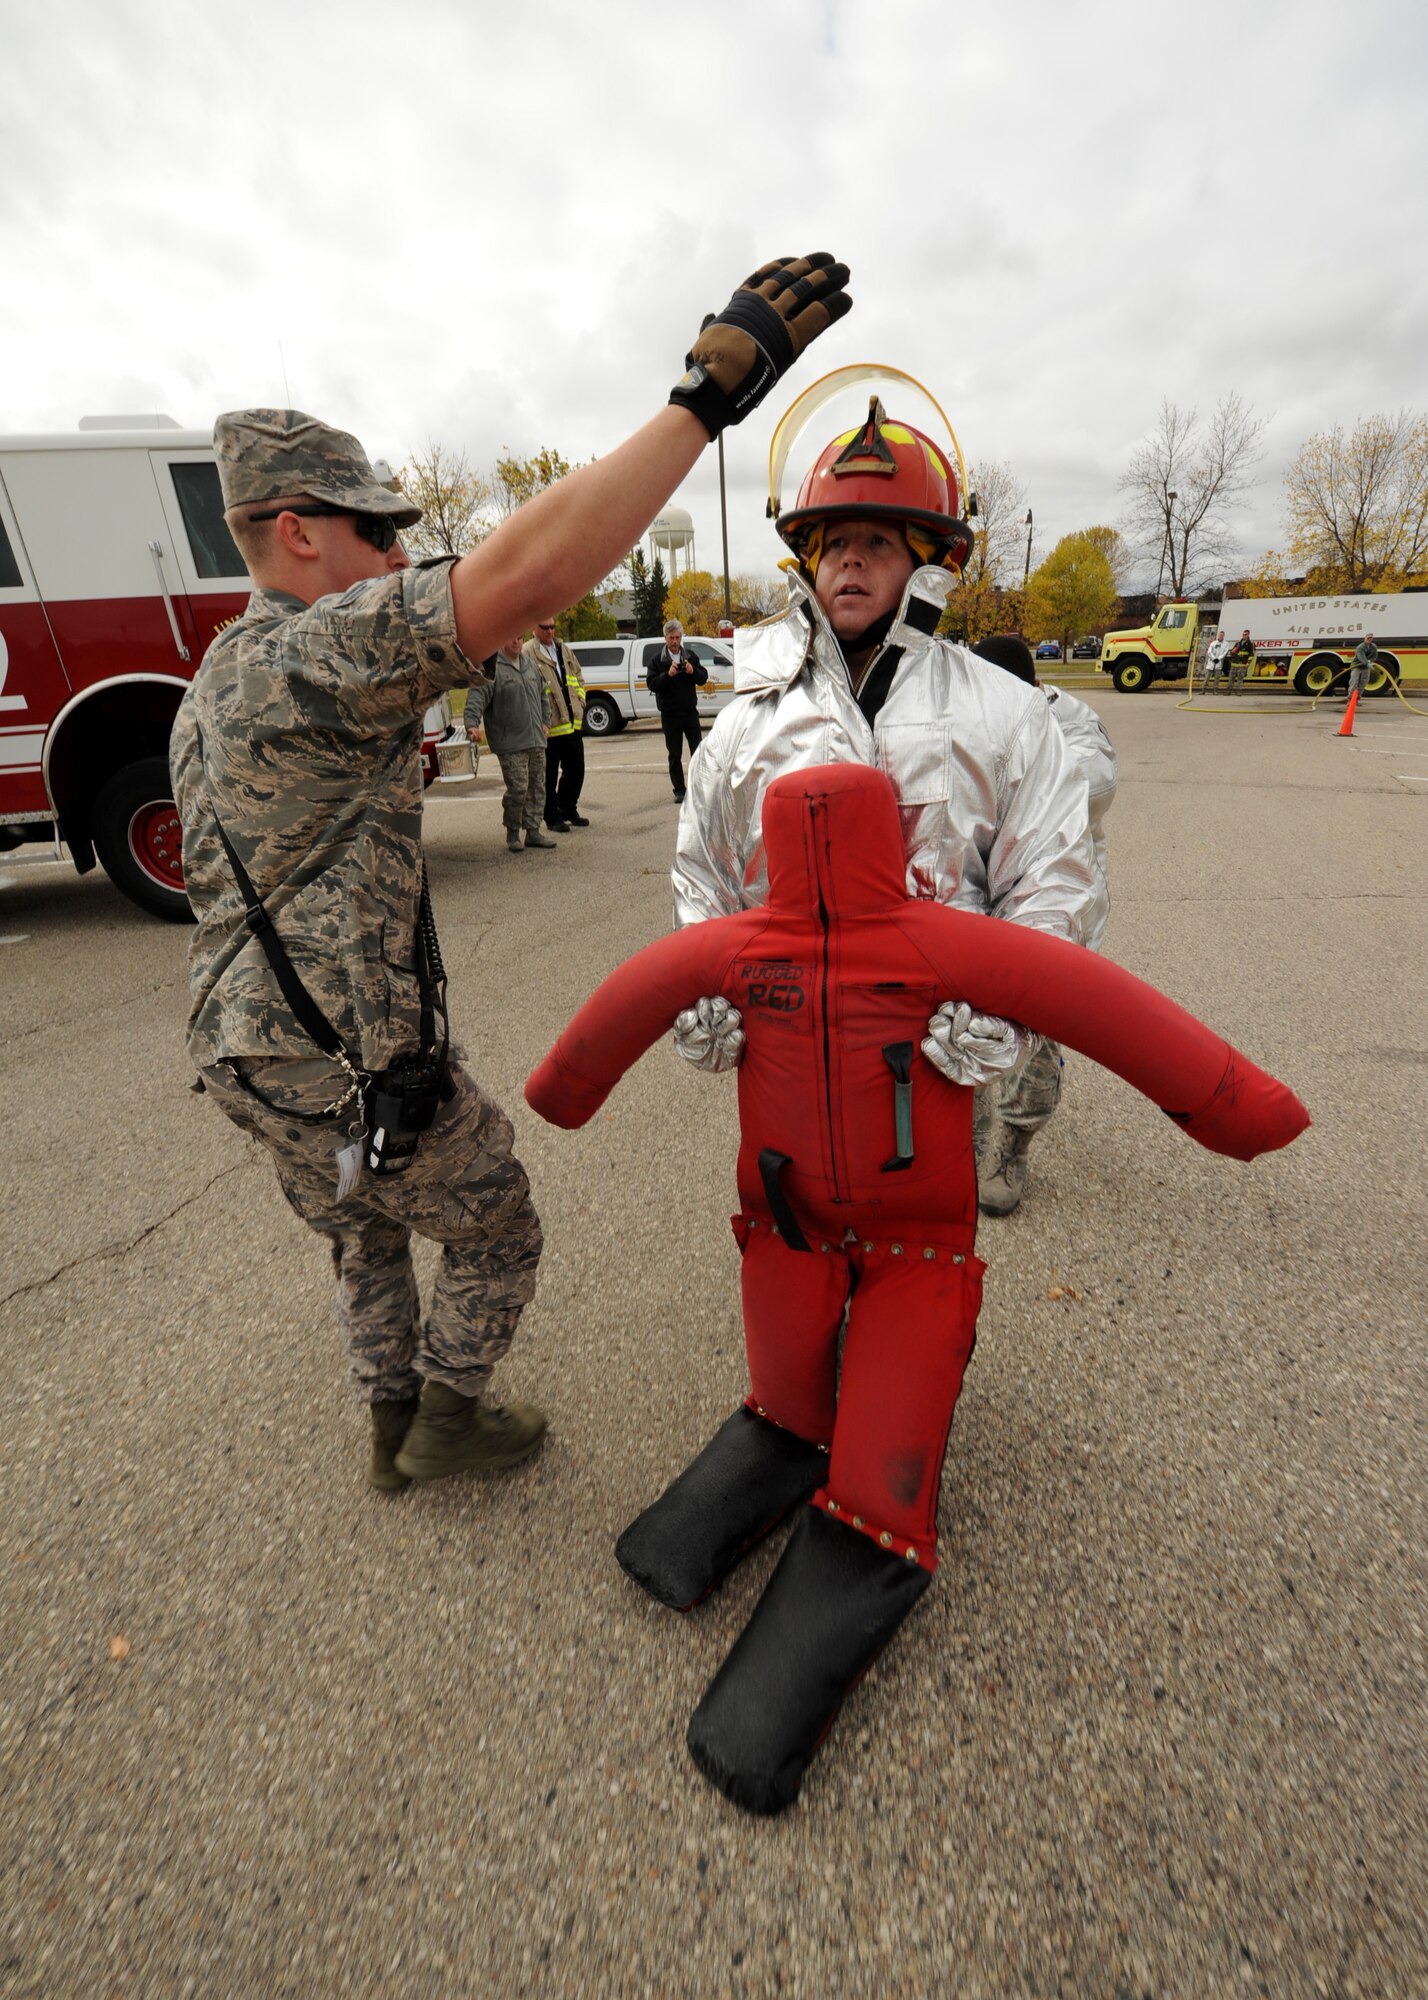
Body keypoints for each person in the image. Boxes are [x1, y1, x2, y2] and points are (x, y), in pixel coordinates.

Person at [168, 252, 853, 1491]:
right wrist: (701, 398)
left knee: (364, 1231)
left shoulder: (211, 676)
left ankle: (388, 1428)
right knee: (498, 1226)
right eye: (376, 531)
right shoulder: (313, 649)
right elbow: (525, 575)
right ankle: (446, 1421)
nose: (392, 556)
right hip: (348, 1061)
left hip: (244, 1056)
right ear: (297, 531)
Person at [668, 392, 1103, 1209]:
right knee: (793, 1251)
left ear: (929, 562)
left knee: (920, 1276)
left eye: (875, 542)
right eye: (833, 544)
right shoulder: (742, 729)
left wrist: (1008, 1011)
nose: (850, 562)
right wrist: (709, 994)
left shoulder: (1003, 715)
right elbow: (705, 881)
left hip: (936, 1061)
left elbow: (1054, 881)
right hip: (789, 1060)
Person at [970, 634, 1118, 1212]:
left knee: (1032, 1037)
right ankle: (970, 1133)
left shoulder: (1070, 723)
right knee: (964, 1024)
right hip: (977, 909)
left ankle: (1012, 1146)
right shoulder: (967, 720)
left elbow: (1092, 786)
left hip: (1054, 910)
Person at [465, 630, 554, 852]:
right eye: (511, 636)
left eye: (520, 637)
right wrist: (472, 724)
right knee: (519, 788)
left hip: (535, 738)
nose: (516, 641)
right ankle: (513, 831)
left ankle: (533, 831)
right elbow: (477, 696)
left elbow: (543, 695)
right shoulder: (492, 667)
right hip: (510, 741)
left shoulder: (530, 664)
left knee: (537, 787)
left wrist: (545, 722)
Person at [526, 617, 589, 830]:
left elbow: (578, 677)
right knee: (548, 776)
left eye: (553, 627)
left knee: (576, 770)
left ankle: (568, 808)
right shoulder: (528, 653)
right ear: (535, 628)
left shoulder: (564, 649)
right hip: (548, 727)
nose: (550, 631)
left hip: (571, 723)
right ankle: (552, 817)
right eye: (545, 627)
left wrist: (580, 700)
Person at [646, 618, 708, 802]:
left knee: (697, 751)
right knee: (675, 754)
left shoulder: (690, 656)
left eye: (677, 637)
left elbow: (703, 677)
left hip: (689, 713)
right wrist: (668, 675)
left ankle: (699, 787)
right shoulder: (657, 661)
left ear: (681, 638)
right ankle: (679, 790)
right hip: (670, 714)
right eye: (671, 638)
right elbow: (652, 684)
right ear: (665, 638)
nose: (674, 641)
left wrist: (692, 670)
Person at [1348, 631, 1380, 699]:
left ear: (1372, 639)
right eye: (1368, 638)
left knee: (1363, 683)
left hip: (1365, 667)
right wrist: (1367, 663)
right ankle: (1350, 699)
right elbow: (1361, 657)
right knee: (1354, 683)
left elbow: (1375, 656)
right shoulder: (1360, 647)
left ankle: (1357, 698)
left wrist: (1370, 661)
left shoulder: (1373, 647)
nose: (1369, 639)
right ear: (1364, 638)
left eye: (1370, 638)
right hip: (1357, 666)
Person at [1226, 627, 1256, 695]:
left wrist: (1248, 663)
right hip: (1234, 664)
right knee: (1231, 678)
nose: (1244, 636)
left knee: (1240, 679)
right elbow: (1232, 653)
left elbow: (1251, 655)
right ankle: (1228, 691)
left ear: (1248, 635)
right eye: (1243, 634)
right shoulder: (1238, 643)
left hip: (1242, 665)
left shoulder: (1250, 644)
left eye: (1245, 634)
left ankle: (1238, 692)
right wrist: (1232, 652)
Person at [1202, 627, 1231, 692]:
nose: (1221, 636)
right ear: (1218, 635)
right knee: (1206, 678)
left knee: (1217, 679)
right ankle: (1203, 690)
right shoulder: (1213, 643)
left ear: (1224, 636)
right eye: (1220, 635)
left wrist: (1218, 659)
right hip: (1211, 664)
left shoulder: (1226, 644)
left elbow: (1225, 652)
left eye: (1222, 635)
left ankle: (1215, 691)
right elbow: (1209, 651)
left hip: (1218, 664)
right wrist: (1214, 658)